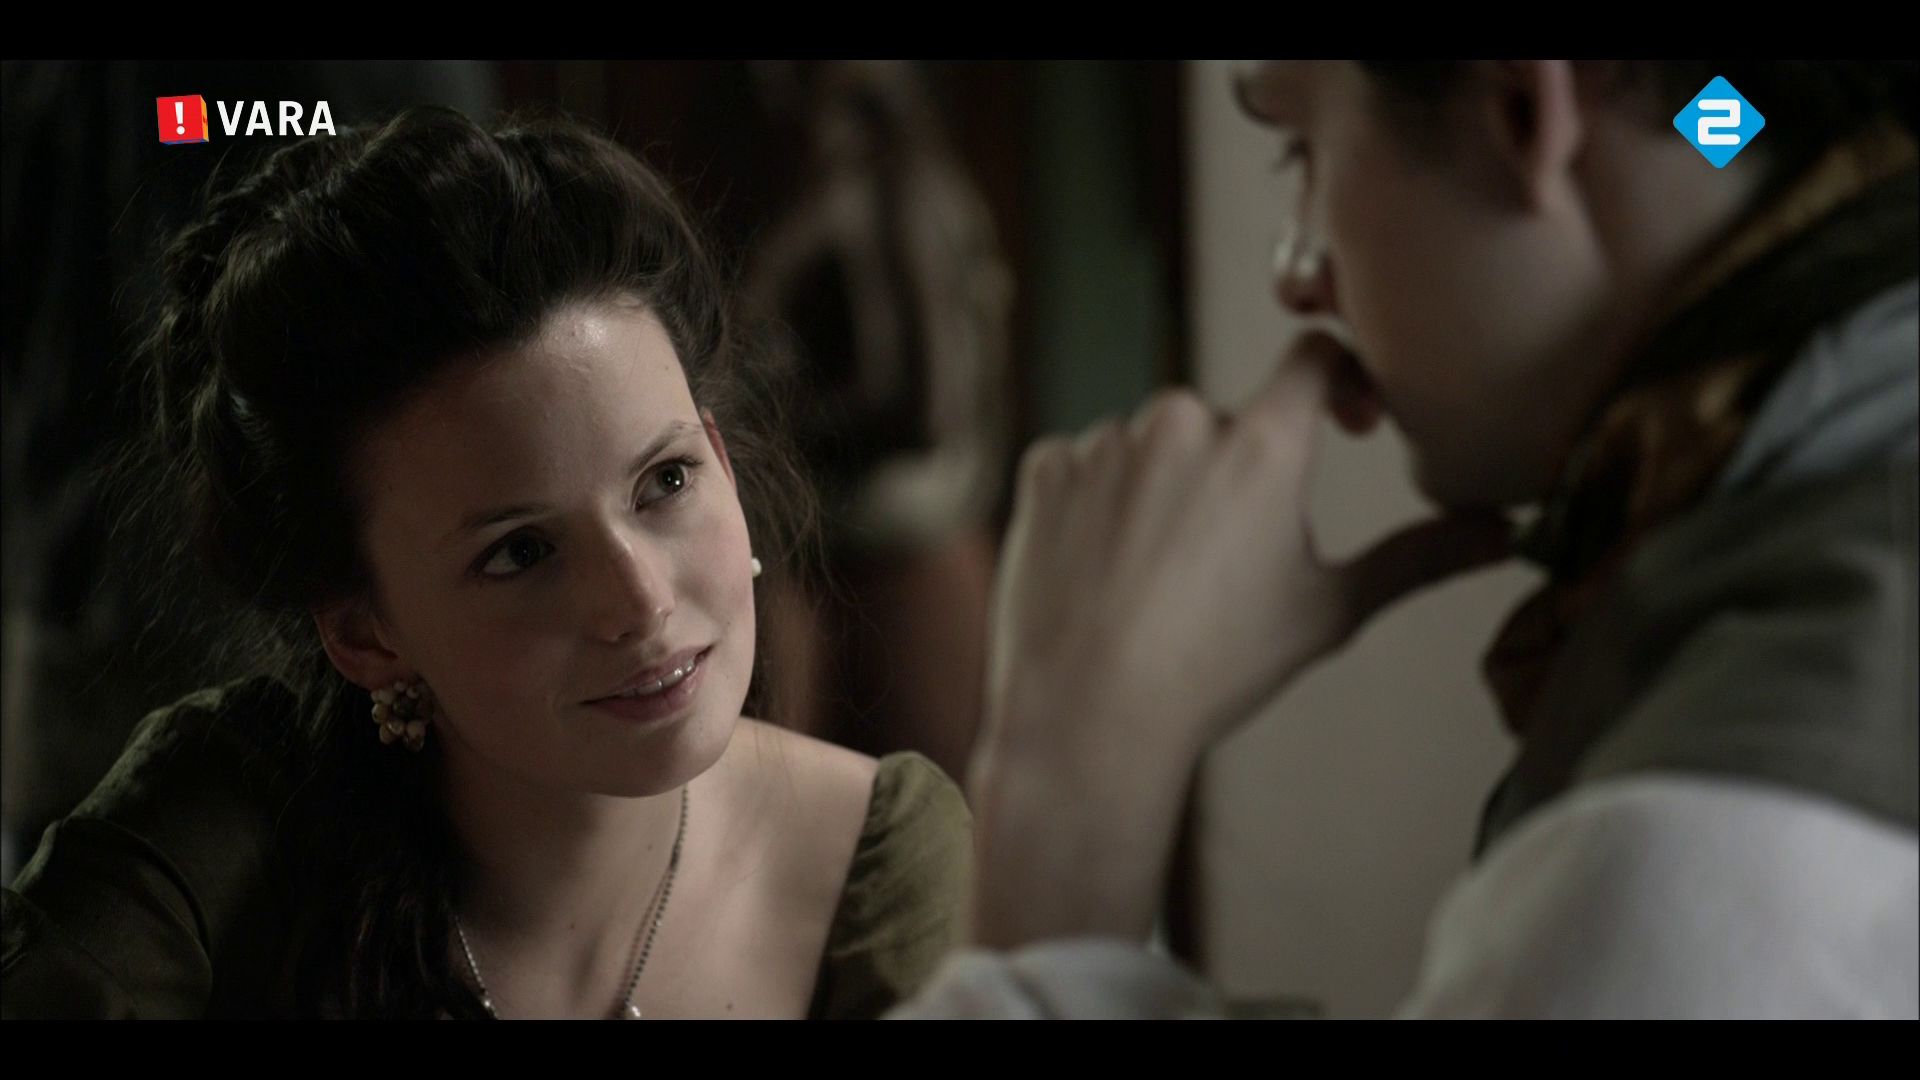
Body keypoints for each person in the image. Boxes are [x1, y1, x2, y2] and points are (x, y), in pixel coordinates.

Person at [892, 60, 1918, 1019]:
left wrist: (1068, 790)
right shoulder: (1738, 129)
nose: (1299, 278)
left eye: (1301, 149)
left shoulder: (1706, 850)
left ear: (1520, 110)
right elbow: (1700, 110)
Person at [1, 106, 971, 1019]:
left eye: (666, 481)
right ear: (367, 632)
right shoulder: (220, 840)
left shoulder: (871, 865)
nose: (639, 602)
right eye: (522, 552)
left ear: (719, 454)